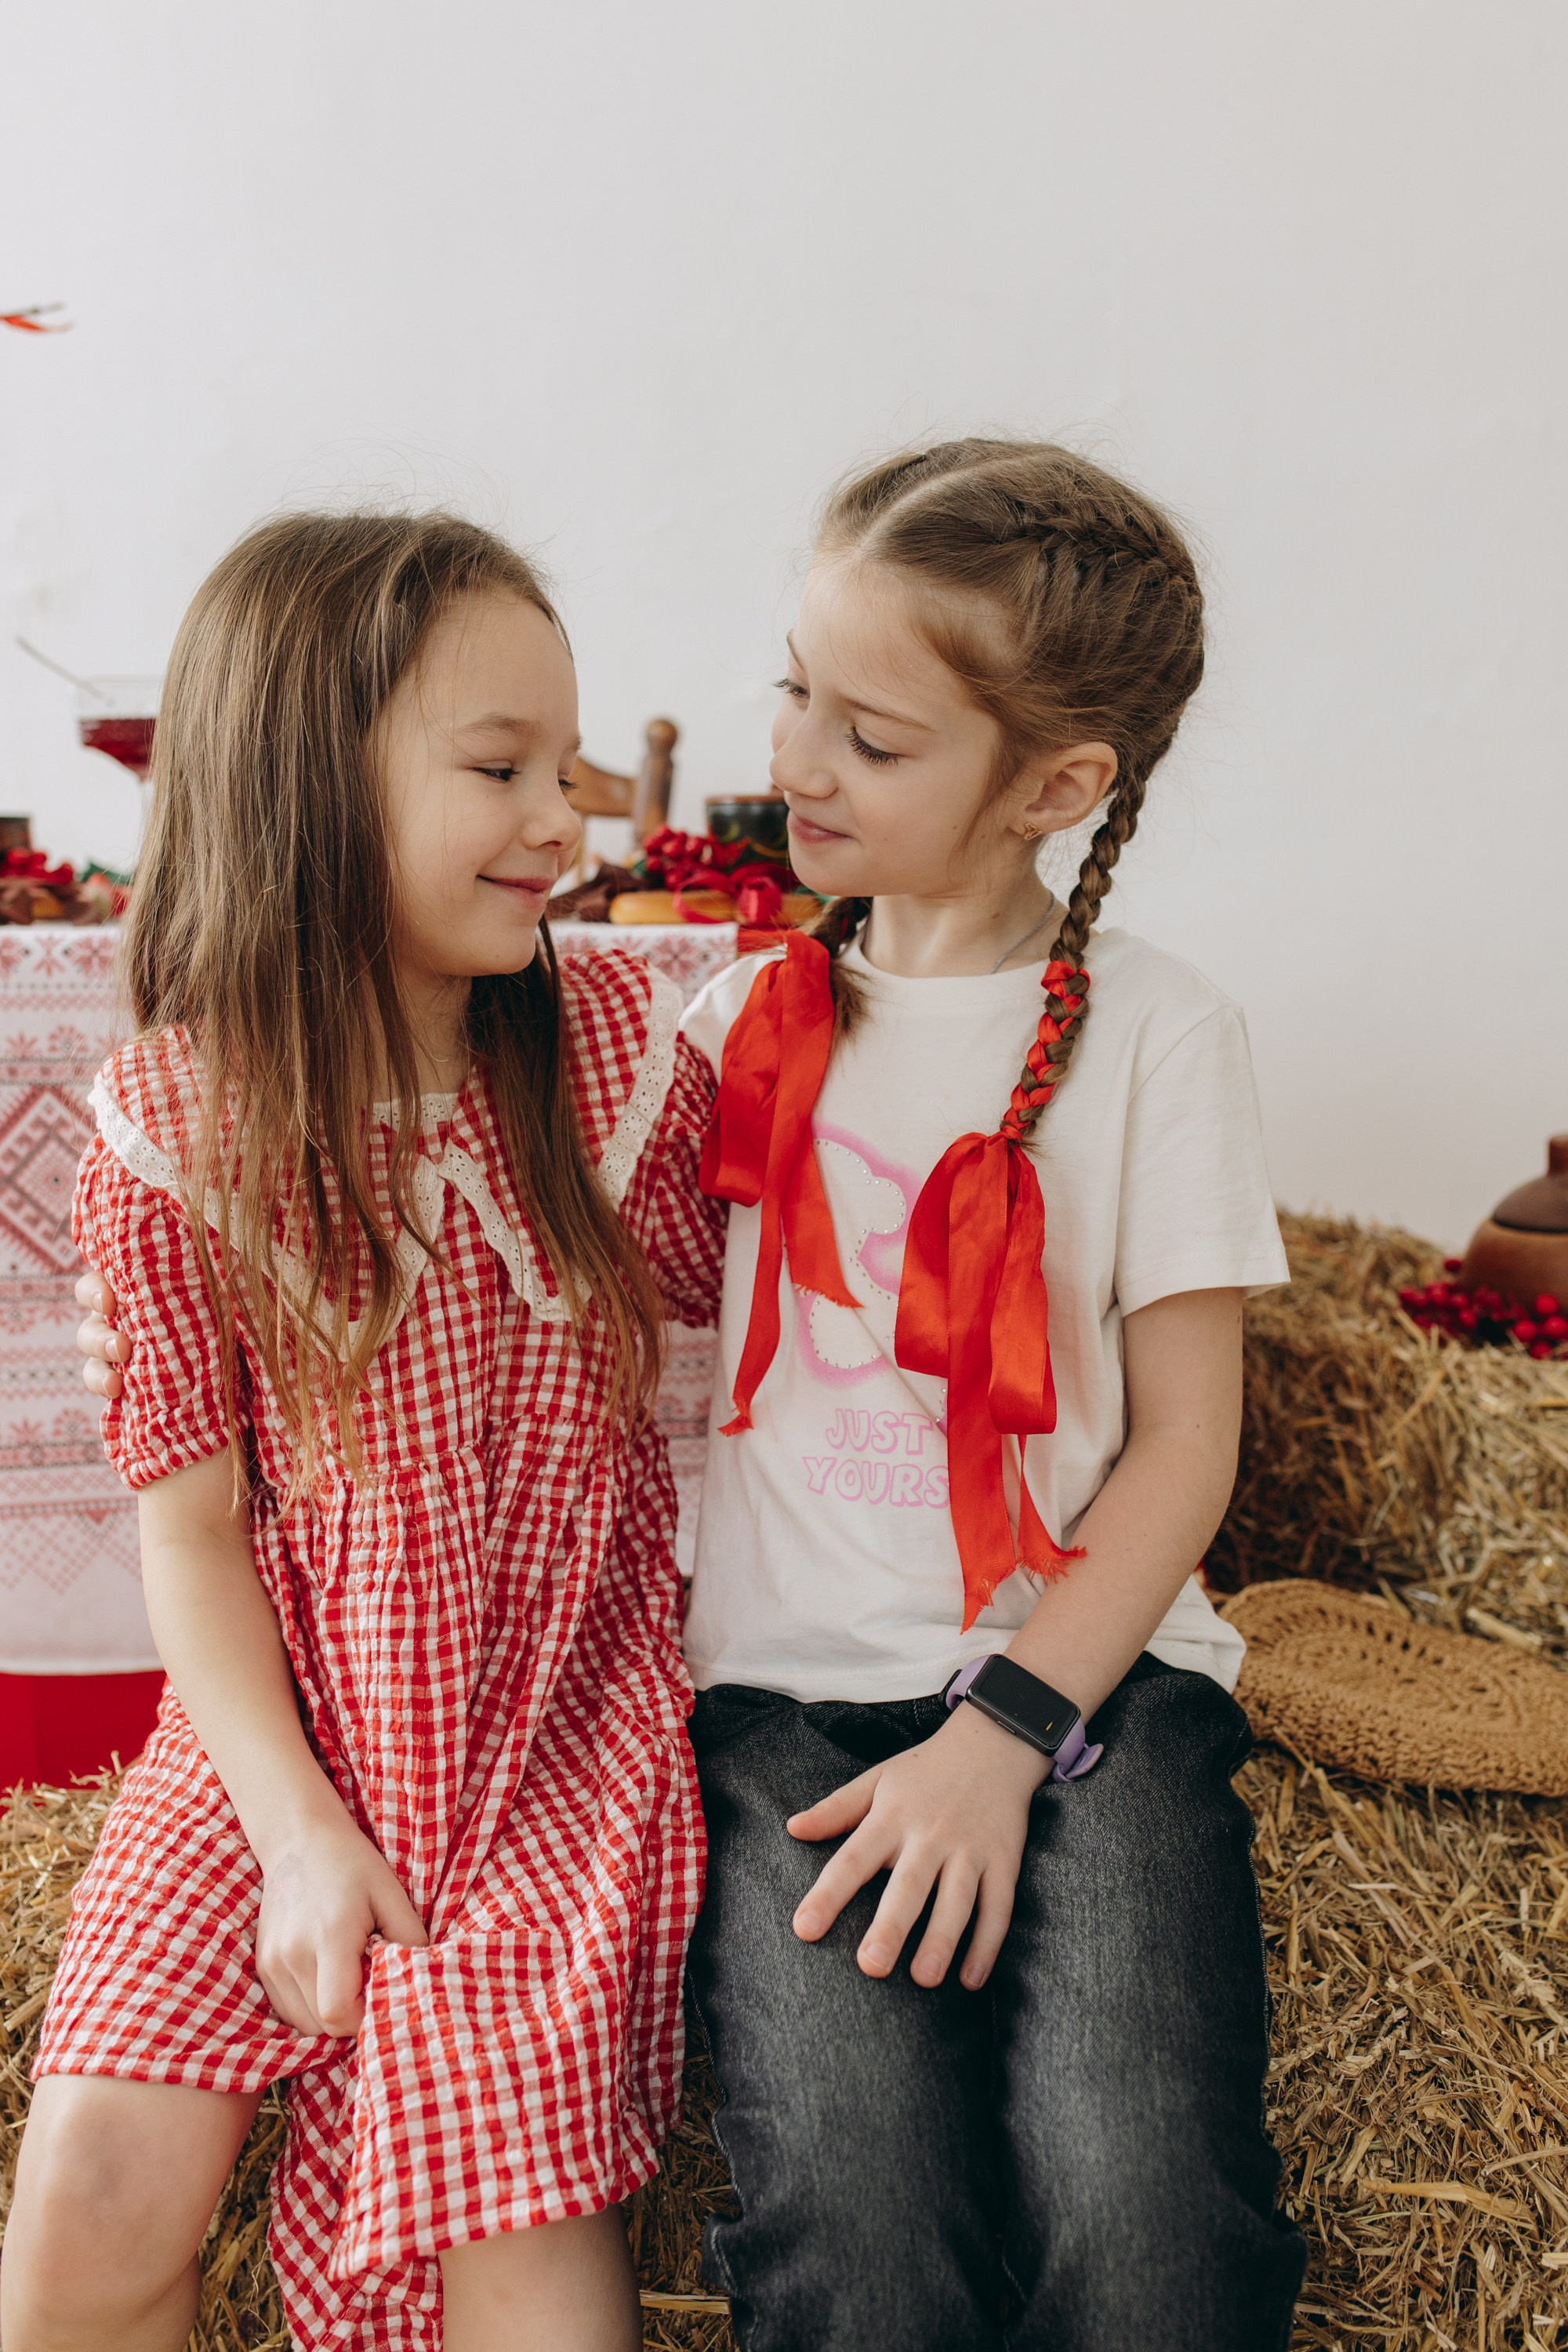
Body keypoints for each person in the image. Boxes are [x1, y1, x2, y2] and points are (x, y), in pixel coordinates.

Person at [5, 512, 724, 2352]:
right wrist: (300, 1829)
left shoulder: (621, 1055)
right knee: (84, 2215)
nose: (566, 822)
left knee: (520, 2280)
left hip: (553, 1732)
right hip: (283, 1716)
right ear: (303, 784)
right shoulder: (173, 1124)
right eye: (500, 769)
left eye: (565, 769)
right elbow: (190, 1533)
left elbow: (812, 1298)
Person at [673, 440, 1307, 2350]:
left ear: (1056, 785)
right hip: (781, 1714)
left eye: (868, 735)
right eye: (793, 688)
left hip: (1093, 1696)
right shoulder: (725, 1025)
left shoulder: (1158, 1033)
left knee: (1139, 2194)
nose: (794, 759)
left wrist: (1004, 1732)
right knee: (848, 2222)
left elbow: (1188, 1443)